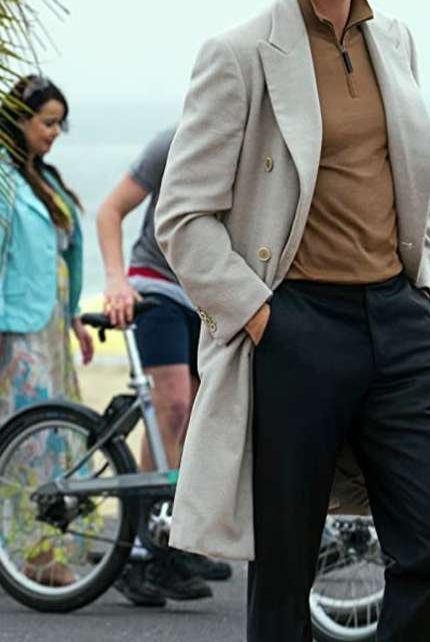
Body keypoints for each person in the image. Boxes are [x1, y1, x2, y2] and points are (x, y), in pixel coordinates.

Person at [155, 0, 430, 641]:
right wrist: (265, 319)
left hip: (397, 319)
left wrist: (419, 284)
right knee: (285, 568)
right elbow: (183, 217)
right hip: (297, 325)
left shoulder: (395, 40)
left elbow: (411, 179)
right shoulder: (239, 53)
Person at [96, 126, 231, 606]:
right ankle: (138, 551)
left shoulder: (256, 147)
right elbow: (110, 211)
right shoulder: (174, 141)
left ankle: (173, 539)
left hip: (207, 295)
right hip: (155, 285)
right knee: (172, 407)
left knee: (198, 420)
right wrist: (116, 281)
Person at [0, 73, 93, 585]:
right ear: (20, 120)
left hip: (52, 329)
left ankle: (46, 545)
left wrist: (75, 316)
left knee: (54, 432)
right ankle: (33, 555)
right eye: (47, 122)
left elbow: (69, 251)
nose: (55, 132)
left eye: (60, 124)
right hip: (16, 330)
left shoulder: (44, 177)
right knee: (29, 440)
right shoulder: (4, 180)